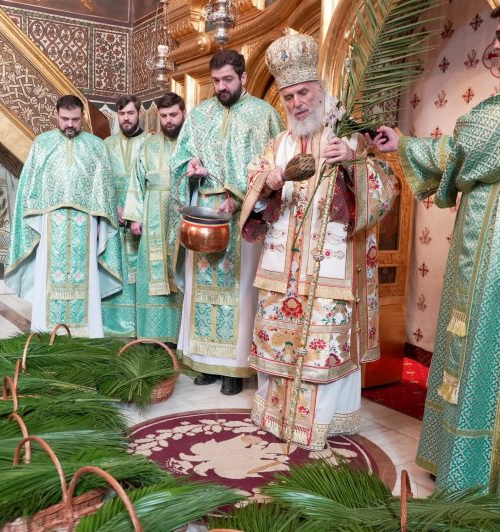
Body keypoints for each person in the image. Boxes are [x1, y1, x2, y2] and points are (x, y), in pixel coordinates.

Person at [371, 0, 500, 512]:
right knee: (471, 350)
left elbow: (474, 139)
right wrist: (406, 144)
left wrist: (408, 146)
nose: (496, 46)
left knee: (497, 349)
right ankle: (461, 465)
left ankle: (495, 482)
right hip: (492, 244)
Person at [239, 33, 396, 450]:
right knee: (278, 344)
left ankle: (319, 425)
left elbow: (384, 194)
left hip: (329, 274)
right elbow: (252, 195)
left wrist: (353, 164)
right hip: (282, 274)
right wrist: (267, 183)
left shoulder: (348, 138)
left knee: (320, 350)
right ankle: (276, 418)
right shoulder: (277, 145)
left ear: (320, 91)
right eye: (288, 97)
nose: (296, 103)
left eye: (303, 93)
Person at [170, 49, 284, 395]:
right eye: (216, 80)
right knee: (202, 288)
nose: (221, 86)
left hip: (243, 213)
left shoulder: (264, 115)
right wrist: (190, 167)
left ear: (243, 77)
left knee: (241, 289)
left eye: (228, 80)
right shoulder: (200, 115)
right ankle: (204, 362)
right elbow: (180, 158)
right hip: (204, 211)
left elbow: (274, 166)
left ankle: (235, 368)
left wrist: (243, 195)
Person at [5, 95, 122, 337]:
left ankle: (87, 335)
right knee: (49, 277)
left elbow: (105, 192)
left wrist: (102, 226)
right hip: (51, 225)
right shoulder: (42, 144)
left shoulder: (96, 146)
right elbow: (29, 188)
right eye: (65, 118)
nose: (70, 124)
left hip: (86, 225)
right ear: (56, 115)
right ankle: (46, 333)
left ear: (83, 118)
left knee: (86, 279)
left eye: (75, 119)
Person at [122, 92, 186, 342]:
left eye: (174, 115)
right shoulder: (148, 145)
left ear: (183, 113)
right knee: (151, 275)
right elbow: (137, 180)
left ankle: (179, 339)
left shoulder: (191, 143)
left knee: (180, 273)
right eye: (164, 115)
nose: (169, 120)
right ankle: (151, 339)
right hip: (152, 219)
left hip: (182, 219)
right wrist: (135, 217)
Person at [103, 95, 149, 337]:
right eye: (122, 114)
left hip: (140, 220)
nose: (126, 118)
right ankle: (110, 327)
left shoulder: (150, 142)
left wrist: (134, 212)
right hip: (114, 218)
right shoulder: (107, 144)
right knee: (115, 268)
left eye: (130, 113)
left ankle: (138, 326)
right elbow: (101, 181)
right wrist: (114, 208)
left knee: (137, 273)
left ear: (139, 113)